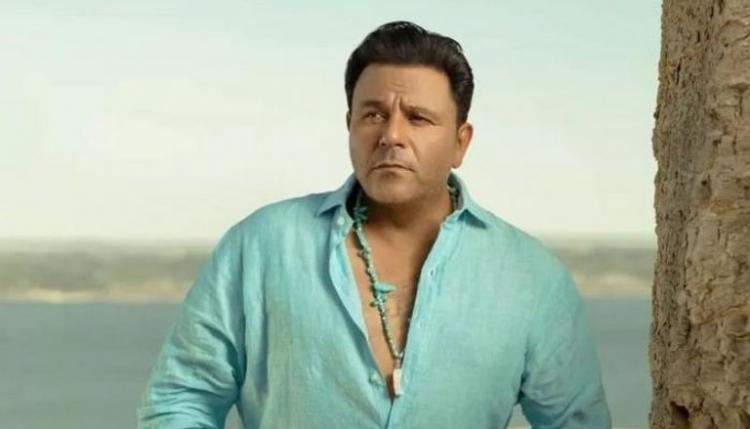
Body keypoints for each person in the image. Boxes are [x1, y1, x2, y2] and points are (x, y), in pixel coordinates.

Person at [137, 20, 612, 429]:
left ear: (460, 142)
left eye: (418, 118)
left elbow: (576, 422)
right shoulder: (261, 246)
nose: (391, 136)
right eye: (373, 115)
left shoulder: (530, 277)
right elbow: (181, 400)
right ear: (350, 125)